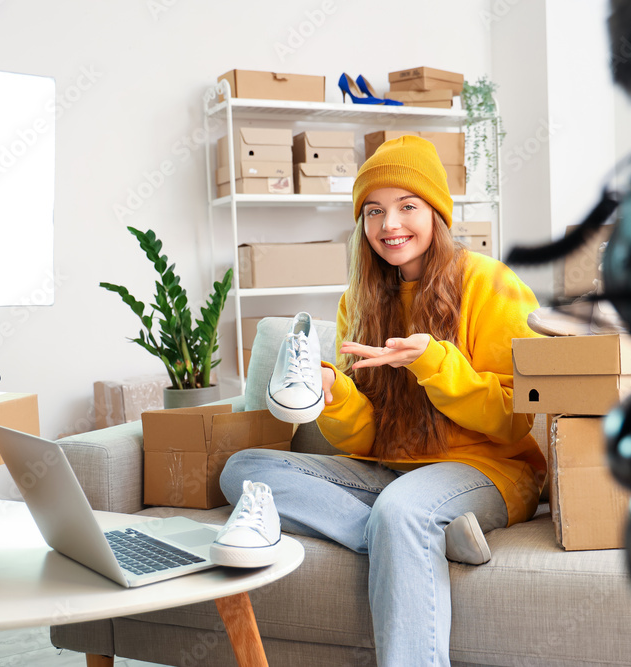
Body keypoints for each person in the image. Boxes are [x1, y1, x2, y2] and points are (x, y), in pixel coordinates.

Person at [219, 135, 545, 666]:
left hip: (488, 469)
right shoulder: (361, 300)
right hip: (391, 470)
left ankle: (406, 528)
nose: (390, 225)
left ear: (435, 213)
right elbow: (366, 437)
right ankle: (418, 536)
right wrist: (334, 395)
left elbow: (514, 421)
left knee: (400, 511)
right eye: (374, 211)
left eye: (407, 207)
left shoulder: (490, 283)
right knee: (243, 471)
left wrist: (433, 363)